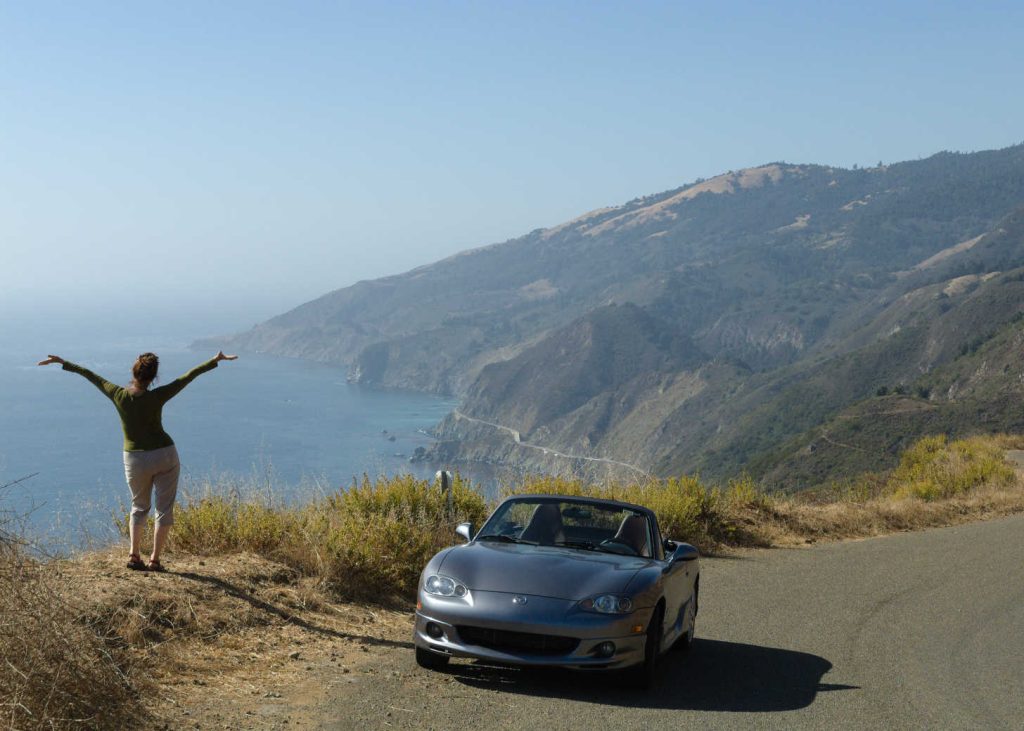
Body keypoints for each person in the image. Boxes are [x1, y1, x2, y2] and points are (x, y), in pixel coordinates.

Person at [37, 350, 237, 571]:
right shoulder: (157, 396)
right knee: (164, 509)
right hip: (165, 454)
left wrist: (63, 362)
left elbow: (90, 375)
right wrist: (214, 361)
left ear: (133, 372)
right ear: (154, 377)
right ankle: (155, 560)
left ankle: (134, 555)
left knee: (139, 506)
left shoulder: (118, 394)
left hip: (135, 459)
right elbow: (186, 378)